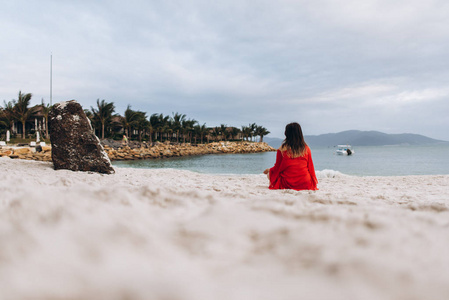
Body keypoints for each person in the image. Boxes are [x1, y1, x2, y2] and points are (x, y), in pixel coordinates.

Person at [264, 122, 318, 190]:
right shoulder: (306, 149)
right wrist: (313, 182)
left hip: (287, 183)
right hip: (306, 183)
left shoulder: (282, 149)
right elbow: (311, 167)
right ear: (300, 134)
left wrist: (269, 170)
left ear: (286, 134)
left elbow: (277, 168)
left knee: (269, 174)